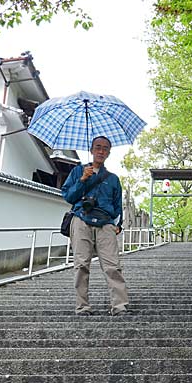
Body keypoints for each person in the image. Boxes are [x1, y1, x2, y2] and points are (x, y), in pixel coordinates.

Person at [61, 136, 130, 317]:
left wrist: (118, 225)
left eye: (105, 148)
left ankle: (120, 306)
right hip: (81, 219)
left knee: (113, 266)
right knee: (81, 265)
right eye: (97, 147)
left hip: (105, 223)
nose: (101, 151)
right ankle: (82, 306)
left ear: (108, 152)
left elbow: (117, 206)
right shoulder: (78, 171)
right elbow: (68, 196)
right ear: (91, 150)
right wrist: (82, 180)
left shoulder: (113, 179)